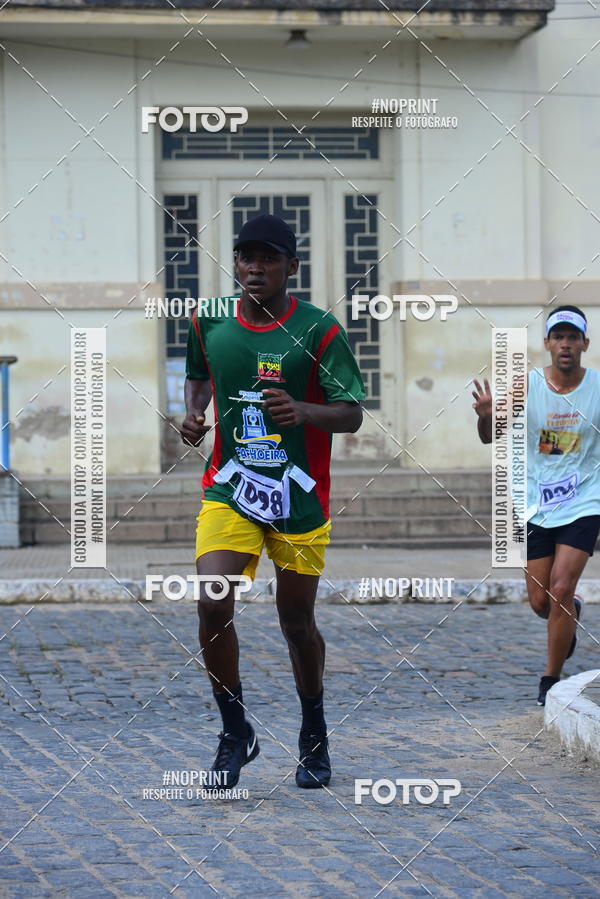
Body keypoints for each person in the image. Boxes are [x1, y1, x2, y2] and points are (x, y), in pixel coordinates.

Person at [180, 213, 365, 786]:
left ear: (293, 266)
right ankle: (235, 732)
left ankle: (313, 730)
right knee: (212, 601)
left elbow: (352, 412)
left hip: (298, 498)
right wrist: (194, 412)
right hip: (229, 487)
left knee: (296, 622)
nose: (254, 266)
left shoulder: (319, 330)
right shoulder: (208, 318)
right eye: (245, 256)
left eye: (267, 257)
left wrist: (304, 411)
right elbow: (200, 374)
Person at [473, 305, 600, 706]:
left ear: (584, 344)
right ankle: (570, 614)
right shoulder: (527, 386)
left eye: (573, 337)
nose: (566, 344)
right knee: (541, 602)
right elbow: (489, 435)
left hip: (585, 501)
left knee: (561, 588)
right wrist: (484, 415)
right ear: (547, 344)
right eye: (558, 337)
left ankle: (550, 681)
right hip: (536, 505)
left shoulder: (597, 388)